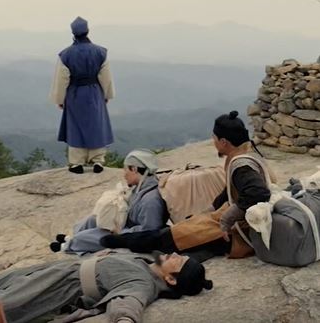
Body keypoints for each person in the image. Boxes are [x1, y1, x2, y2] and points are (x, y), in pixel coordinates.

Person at [101, 111, 272, 260]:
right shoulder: (244, 157)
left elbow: (258, 193)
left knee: (171, 238)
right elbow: (230, 190)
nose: (214, 143)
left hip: (236, 232)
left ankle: (114, 241)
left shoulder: (241, 167)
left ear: (224, 142)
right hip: (231, 222)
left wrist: (227, 219)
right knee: (184, 226)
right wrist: (210, 209)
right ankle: (125, 240)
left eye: (214, 139)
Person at [0, 250, 212, 323]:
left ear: (171, 280)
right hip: (59, 271)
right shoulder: (147, 263)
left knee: (1, 306)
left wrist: (125, 320)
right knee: (5, 281)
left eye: (179, 261)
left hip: (60, 288)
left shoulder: (143, 284)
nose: (174, 254)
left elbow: (128, 305)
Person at [52, 149, 167, 254]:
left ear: (134, 169)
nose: (124, 174)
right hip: (124, 226)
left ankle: (70, 245)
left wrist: (120, 231)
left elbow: (150, 231)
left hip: (130, 236)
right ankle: (72, 239)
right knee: (93, 220)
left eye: (126, 169)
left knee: (93, 236)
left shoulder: (151, 200)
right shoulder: (140, 189)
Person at [50, 16, 115, 174]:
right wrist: (107, 94)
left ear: (73, 33)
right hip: (94, 91)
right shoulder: (100, 52)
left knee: (76, 126)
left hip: (75, 93)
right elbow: (105, 77)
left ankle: (77, 162)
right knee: (96, 124)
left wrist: (60, 99)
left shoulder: (66, 55)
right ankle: (98, 160)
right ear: (87, 31)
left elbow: (62, 79)